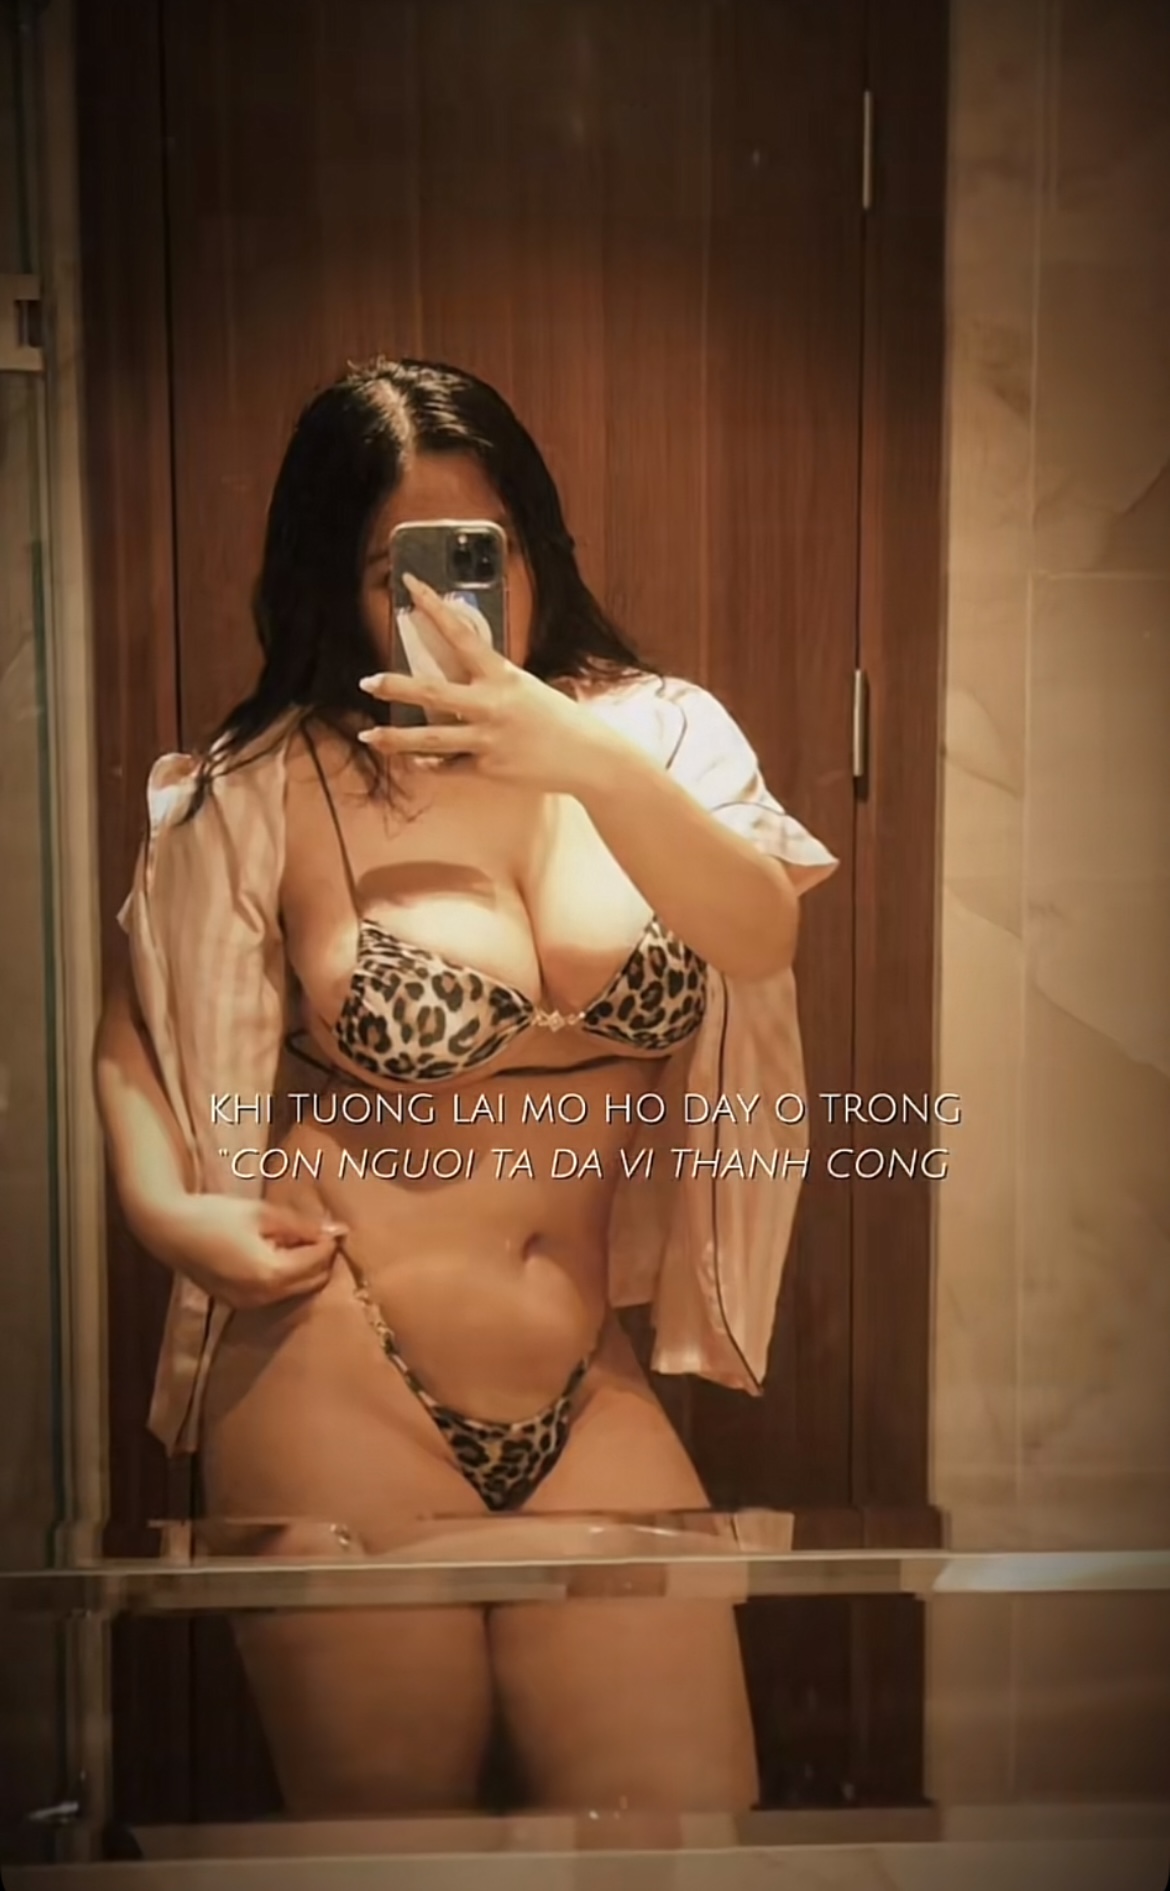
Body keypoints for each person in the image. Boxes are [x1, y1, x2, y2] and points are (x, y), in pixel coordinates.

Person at [93, 357, 838, 1818]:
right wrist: (164, 1211)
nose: (448, 604)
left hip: (585, 1381)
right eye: (399, 572)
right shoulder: (272, 779)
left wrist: (581, 761)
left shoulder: (661, 734)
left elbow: (759, 932)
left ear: (532, 545)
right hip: (331, 1367)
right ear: (338, 584)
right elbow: (141, 1013)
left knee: (687, 1833)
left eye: (477, 553)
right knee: (389, 1843)